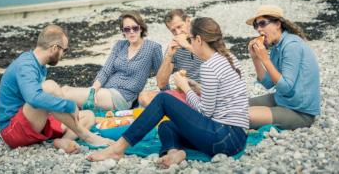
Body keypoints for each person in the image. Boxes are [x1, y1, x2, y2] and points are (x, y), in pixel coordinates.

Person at [87, 17, 249, 168]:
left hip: (223, 139)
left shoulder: (209, 66)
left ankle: (117, 148)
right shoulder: (228, 58)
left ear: (198, 40)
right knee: (167, 125)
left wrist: (184, 87)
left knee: (163, 99)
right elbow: (224, 97)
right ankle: (174, 152)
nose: (190, 43)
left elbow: (205, 111)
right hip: (237, 138)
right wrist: (197, 88)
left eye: (191, 39)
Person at [0, 25, 112, 153]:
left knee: (88, 116)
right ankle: (88, 137)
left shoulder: (39, 64)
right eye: (65, 50)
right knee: (49, 86)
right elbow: (34, 98)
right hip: (13, 130)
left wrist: (67, 110)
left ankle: (65, 140)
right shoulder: (26, 65)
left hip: (33, 121)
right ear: (54, 48)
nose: (63, 54)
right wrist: (69, 105)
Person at [61, 11, 163, 111]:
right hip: (104, 90)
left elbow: (162, 74)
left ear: (141, 28)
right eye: (127, 29)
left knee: (66, 94)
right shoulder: (120, 45)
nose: (131, 32)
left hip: (122, 97)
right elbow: (106, 70)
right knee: (65, 90)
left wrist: (168, 97)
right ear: (123, 31)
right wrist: (93, 90)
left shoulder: (153, 48)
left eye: (135, 28)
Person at [246, 5, 321, 130]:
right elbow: (268, 83)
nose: (259, 29)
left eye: (262, 23)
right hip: (281, 100)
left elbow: (286, 87)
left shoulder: (291, 45)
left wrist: (265, 59)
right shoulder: (276, 47)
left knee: (240, 116)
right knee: (236, 106)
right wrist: (256, 59)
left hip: (299, 112)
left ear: (277, 24)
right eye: (256, 25)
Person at [138, 9, 203, 107]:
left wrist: (188, 46)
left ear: (188, 21)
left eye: (179, 27)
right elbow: (161, 83)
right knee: (144, 97)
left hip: (207, 93)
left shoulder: (203, 37)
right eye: (173, 30)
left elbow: (218, 60)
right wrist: (169, 55)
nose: (177, 32)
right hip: (186, 94)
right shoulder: (175, 48)